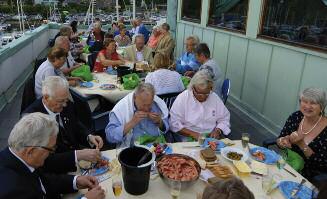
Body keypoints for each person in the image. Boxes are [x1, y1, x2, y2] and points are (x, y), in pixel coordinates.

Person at [0, 112, 105, 199]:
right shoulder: (12, 191)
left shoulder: (17, 156)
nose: (52, 153)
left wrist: (76, 181)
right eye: (50, 149)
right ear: (31, 151)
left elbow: (43, 182)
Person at [25, 76, 103, 154]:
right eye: (60, 101)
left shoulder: (67, 104)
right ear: (46, 97)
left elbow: (75, 125)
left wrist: (89, 137)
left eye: (66, 100)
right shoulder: (33, 120)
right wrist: (76, 156)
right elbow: (43, 158)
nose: (65, 104)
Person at [277, 87, 327, 181]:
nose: (307, 106)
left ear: (322, 106)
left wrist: (301, 144)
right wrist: (282, 142)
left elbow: (322, 164)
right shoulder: (296, 116)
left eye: (313, 103)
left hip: (309, 177)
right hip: (286, 165)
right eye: (304, 101)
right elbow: (280, 140)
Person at [169, 70, 231, 141]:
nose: (203, 97)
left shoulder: (214, 97)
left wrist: (218, 130)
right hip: (187, 136)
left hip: (210, 136)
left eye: (206, 93)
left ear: (211, 89)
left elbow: (224, 118)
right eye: (199, 94)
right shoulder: (183, 98)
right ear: (192, 88)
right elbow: (174, 123)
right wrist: (192, 134)